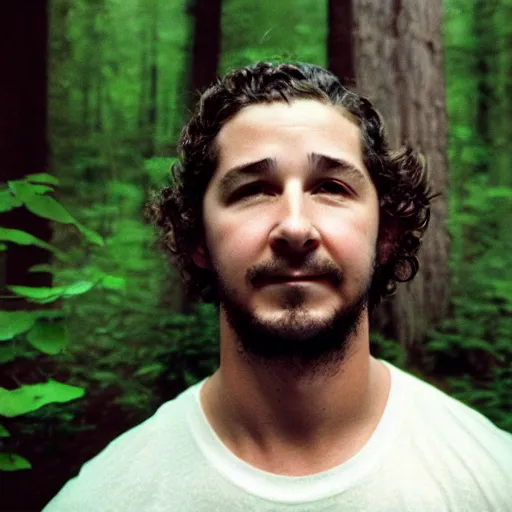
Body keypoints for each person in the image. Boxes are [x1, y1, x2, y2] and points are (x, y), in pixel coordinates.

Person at [43, 62, 512, 511]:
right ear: (198, 238)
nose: (294, 226)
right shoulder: (103, 499)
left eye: (331, 187)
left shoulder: (494, 481)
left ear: (385, 233)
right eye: (252, 190)